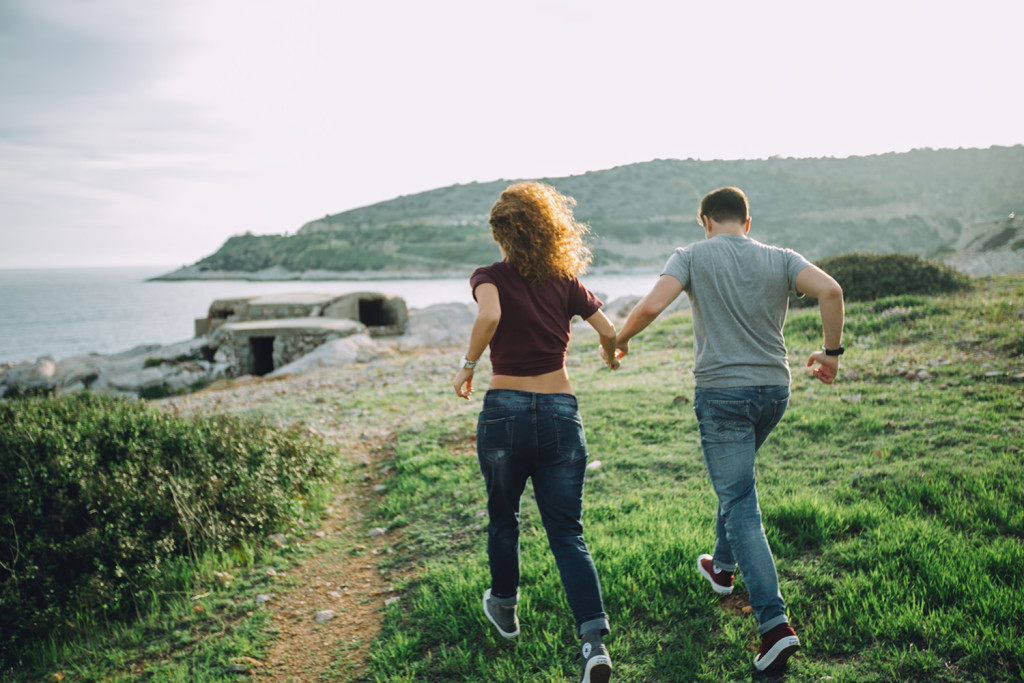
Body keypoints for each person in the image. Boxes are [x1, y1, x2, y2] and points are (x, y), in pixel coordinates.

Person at [610, 186, 844, 673]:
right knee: (735, 484)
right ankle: (722, 567)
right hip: (773, 393)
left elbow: (652, 307)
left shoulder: (691, 255)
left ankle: (775, 625)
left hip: (722, 396)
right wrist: (831, 354)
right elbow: (832, 291)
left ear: (705, 221)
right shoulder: (781, 258)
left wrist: (619, 339)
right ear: (747, 222)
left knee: (739, 500)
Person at [453, 181, 620, 683]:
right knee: (568, 532)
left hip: (504, 410)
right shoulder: (565, 279)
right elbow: (610, 331)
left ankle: (504, 606)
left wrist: (466, 365)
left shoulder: (489, 276)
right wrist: (609, 355)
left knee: (504, 518)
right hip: (559, 413)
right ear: (550, 230)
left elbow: (490, 314)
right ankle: (593, 644)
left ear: (503, 234)